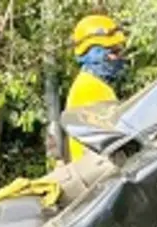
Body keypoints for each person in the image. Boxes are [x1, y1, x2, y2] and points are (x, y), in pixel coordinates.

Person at [66, 14, 128, 162]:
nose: (118, 58)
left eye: (119, 52)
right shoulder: (89, 88)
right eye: (112, 52)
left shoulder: (93, 83)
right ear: (92, 53)